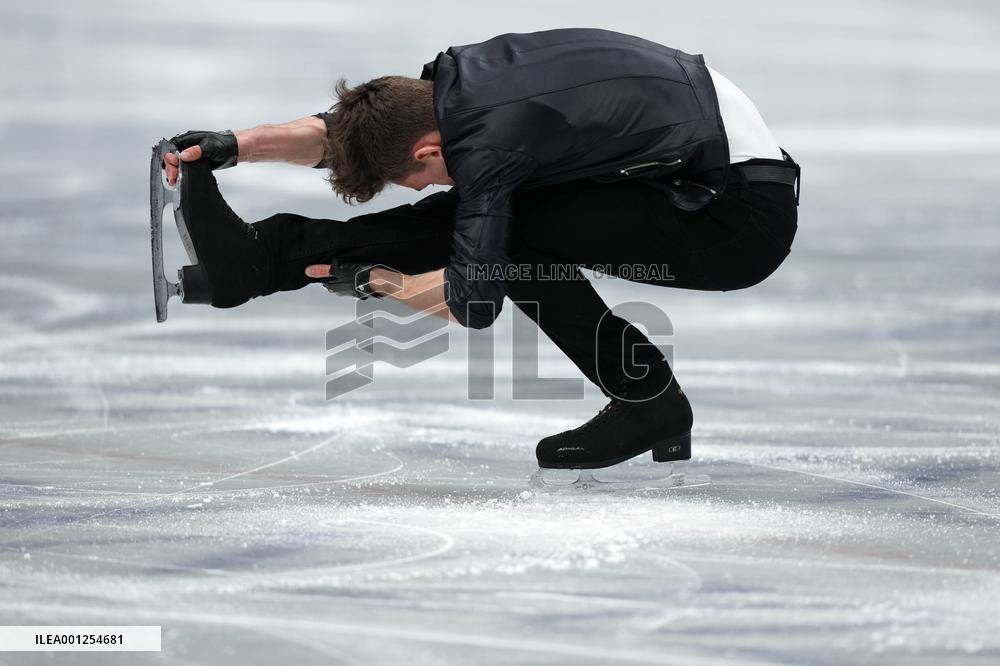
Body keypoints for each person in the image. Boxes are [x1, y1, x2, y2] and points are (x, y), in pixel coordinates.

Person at [161, 28, 800, 475]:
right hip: (692, 170)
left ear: (429, 152)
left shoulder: (490, 149)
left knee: (506, 242)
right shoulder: (451, 82)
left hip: (734, 221)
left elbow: (475, 300)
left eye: (417, 179)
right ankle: (263, 255)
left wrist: (371, 280)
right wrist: (232, 146)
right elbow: (351, 129)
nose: (425, 189)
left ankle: (648, 404)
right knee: (480, 227)